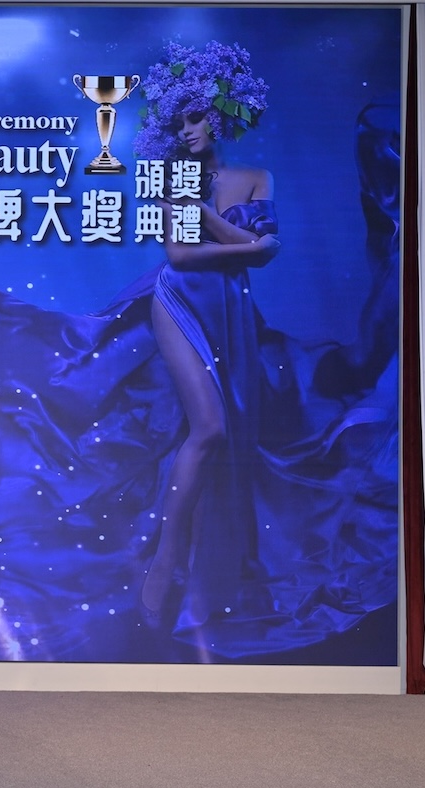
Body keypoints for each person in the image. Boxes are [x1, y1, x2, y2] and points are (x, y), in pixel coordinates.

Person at [129, 41, 281, 632]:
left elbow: (265, 256)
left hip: (232, 309)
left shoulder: (256, 177)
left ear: (221, 114)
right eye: (178, 122)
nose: (187, 130)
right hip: (179, 301)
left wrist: (213, 220)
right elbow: (183, 256)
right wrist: (247, 243)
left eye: (196, 117)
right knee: (210, 428)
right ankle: (165, 561)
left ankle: (218, 573)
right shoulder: (173, 178)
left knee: (235, 434)